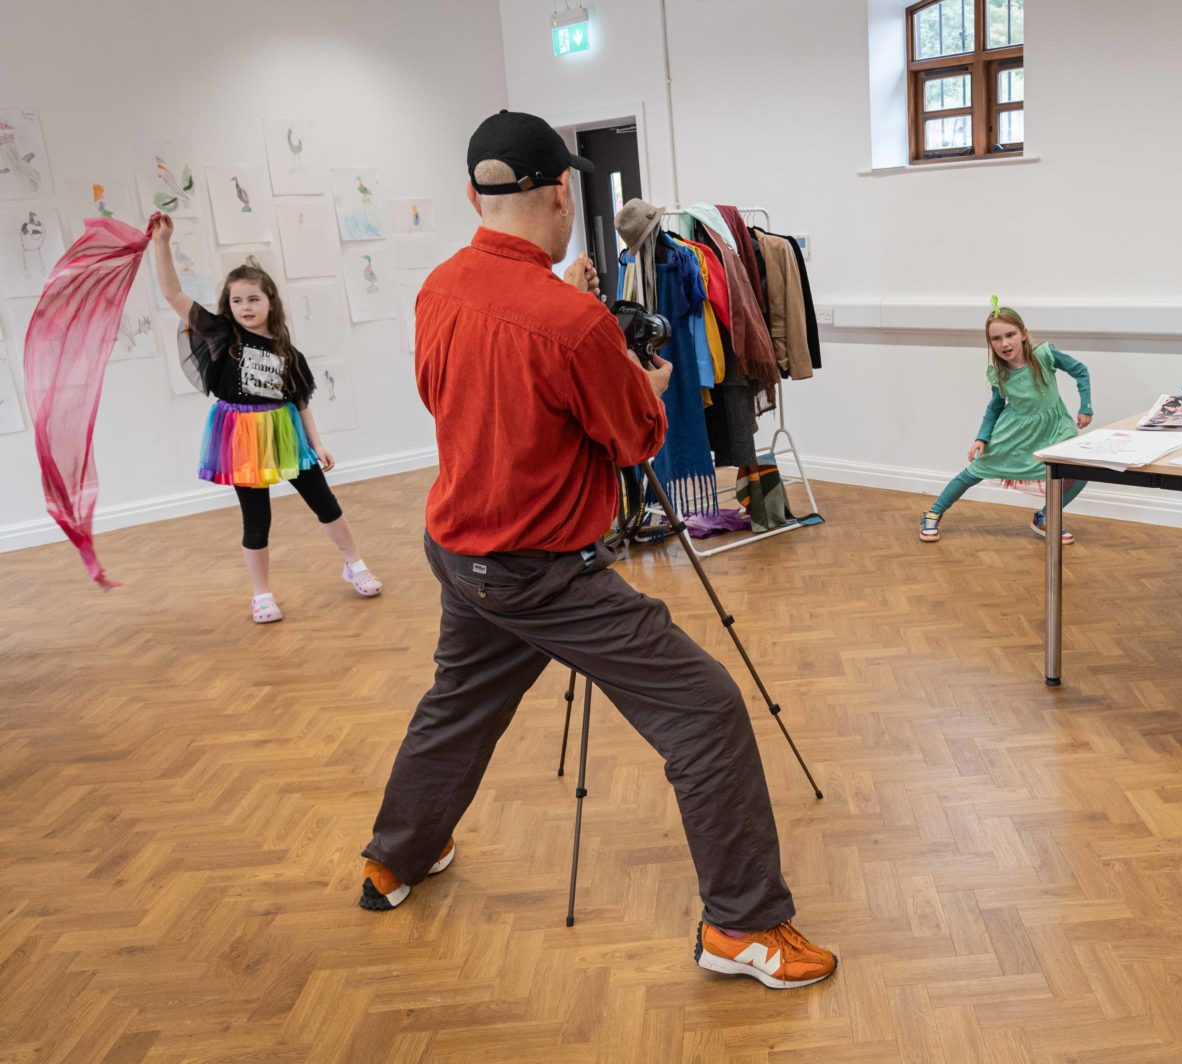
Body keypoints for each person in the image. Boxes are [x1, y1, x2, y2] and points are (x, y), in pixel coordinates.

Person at [357, 111, 836, 990]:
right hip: (540, 571)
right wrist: (640, 378)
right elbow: (631, 438)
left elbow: (454, 397)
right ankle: (744, 926)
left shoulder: (437, 290)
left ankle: (396, 860)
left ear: (473, 194)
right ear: (559, 194)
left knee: (457, 703)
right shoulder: (571, 326)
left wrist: (579, 325)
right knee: (706, 709)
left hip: (458, 548)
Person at [149, 214, 382, 623]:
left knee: (324, 502)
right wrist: (163, 243)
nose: (245, 307)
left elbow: (301, 401)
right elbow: (172, 293)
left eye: (253, 299)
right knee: (256, 518)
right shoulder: (222, 334)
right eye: (237, 300)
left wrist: (318, 442)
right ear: (228, 305)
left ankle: (354, 563)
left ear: (270, 301)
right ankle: (261, 594)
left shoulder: (289, 353)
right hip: (240, 434)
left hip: (283, 431)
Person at [919, 301, 1093, 543]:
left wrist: (1086, 406)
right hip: (1015, 433)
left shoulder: (1045, 354)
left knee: (1081, 471)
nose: (1005, 343)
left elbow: (1081, 370)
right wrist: (981, 437)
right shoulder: (998, 374)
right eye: (996, 338)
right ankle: (933, 513)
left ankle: (1046, 516)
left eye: (1010, 335)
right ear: (990, 343)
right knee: (974, 472)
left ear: (1023, 334)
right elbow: (995, 408)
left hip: (1055, 428)